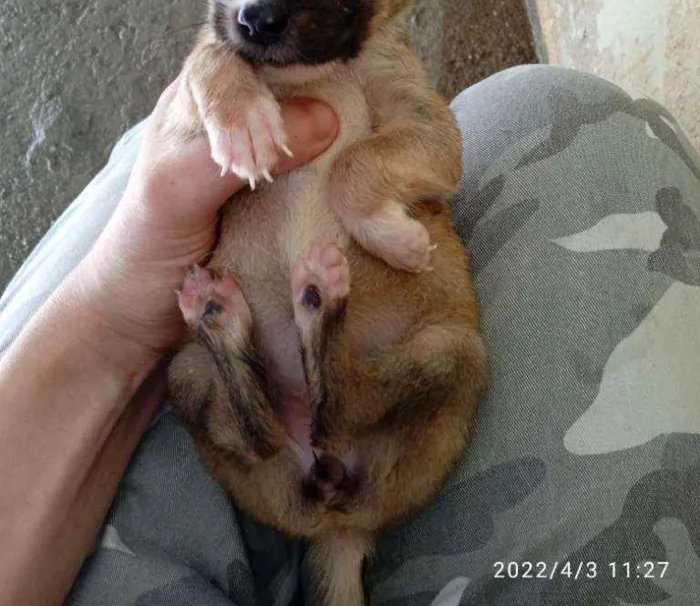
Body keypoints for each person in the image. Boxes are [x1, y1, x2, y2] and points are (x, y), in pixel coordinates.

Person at [1, 65, 699, 606]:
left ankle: (257, 349)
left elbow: (436, 146)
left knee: (151, 158)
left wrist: (110, 321)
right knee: (569, 119)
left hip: (311, 448)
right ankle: (272, 349)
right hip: (288, 467)